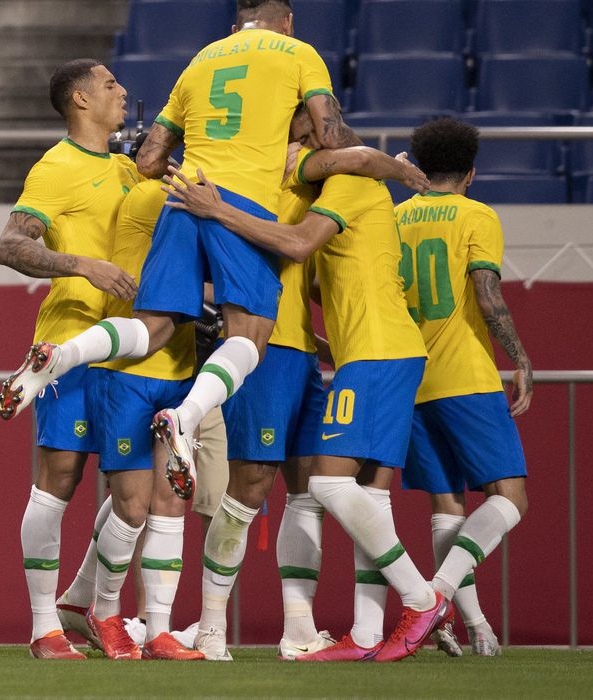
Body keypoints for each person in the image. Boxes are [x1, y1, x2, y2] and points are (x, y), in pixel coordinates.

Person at [0, 0, 361, 500]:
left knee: (154, 328)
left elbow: (147, 159)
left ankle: (59, 357)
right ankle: (184, 418)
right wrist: (367, 162)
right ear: (288, 22)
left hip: (183, 196)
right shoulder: (298, 53)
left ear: (237, 24)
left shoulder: (202, 58)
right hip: (235, 202)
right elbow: (332, 133)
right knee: (250, 337)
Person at [163, 139, 449, 663]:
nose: (306, 141)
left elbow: (350, 173)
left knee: (311, 489)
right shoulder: (237, 177)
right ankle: (210, 626)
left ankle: (301, 628)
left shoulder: (316, 188)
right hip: (269, 353)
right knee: (250, 490)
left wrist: (392, 168)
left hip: (320, 357)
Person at [0, 58, 139, 660]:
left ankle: (97, 608)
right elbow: (10, 244)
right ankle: (42, 628)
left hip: (136, 346)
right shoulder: (56, 167)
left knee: (135, 491)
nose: (123, 91)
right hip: (72, 340)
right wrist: (83, 264)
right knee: (60, 482)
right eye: (109, 85)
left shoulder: (131, 168)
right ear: (80, 100)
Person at [49, 179, 204, 661]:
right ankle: (106, 611)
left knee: (172, 503)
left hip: (178, 368)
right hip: (126, 374)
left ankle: (158, 629)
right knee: (133, 507)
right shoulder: (155, 196)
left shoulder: (199, 197)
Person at [396, 117, 531, 657]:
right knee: (511, 498)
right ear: (471, 173)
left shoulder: (396, 216)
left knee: (447, 504)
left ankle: (478, 630)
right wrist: (519, 357)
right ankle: (436, 595)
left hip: (409, 375)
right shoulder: (477, 215)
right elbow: (485, 290)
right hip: (464, 374)